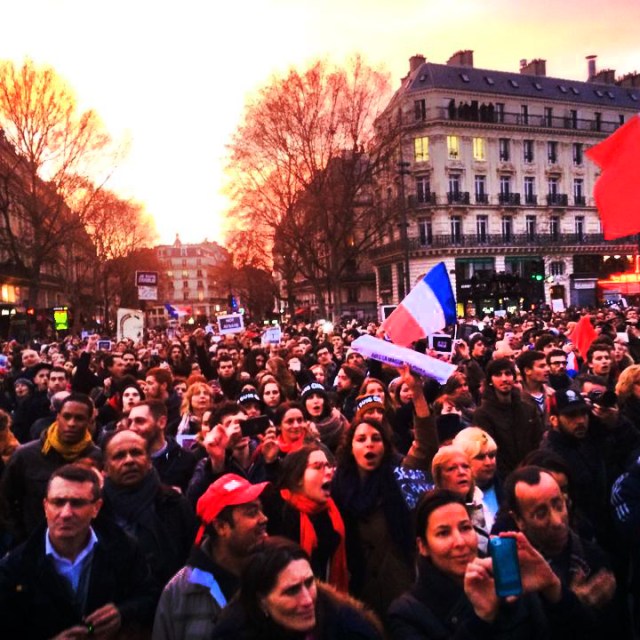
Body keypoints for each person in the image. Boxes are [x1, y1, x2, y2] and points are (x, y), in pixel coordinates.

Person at [388, 489, 595, 640]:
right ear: (423, 546)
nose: (460, 542)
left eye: (465, 528)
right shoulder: (407, 614)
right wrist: (480, 620)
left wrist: (554, 589)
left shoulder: (509, 579)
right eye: (443, 533)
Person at [0, 464, 157, 639]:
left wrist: (122, 613)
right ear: (45, 507)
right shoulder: (16, 566)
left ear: (96, 508)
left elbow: (149, 595)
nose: (66, 513)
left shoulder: (123, 549)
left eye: (77, 503)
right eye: (58, 502)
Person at [503, 466, 622, 637]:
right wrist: (570, 600)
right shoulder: (511, 572)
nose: (557, 521)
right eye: (541, 514)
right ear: (518, 519)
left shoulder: (594, 558)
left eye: (558, 505)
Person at [153, 473, 270, 640]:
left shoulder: (274, 576)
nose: (264, 518)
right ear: (221, 527)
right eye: (252, 513)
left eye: (261, 510)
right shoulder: (180, 591)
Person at [211, 537, 383, 640]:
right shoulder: (232, 632)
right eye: (292, 591)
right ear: (261, 601)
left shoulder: (350, 629)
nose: (308, 600)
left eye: (309, 583)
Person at [101, 430, 197, 588]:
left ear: (149, 460)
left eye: (136, 453)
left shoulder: (174, 503)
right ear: (105, 468)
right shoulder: (97, 510)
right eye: (119, 456)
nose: (129, 460)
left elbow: (192, 558)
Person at [1, 393, 101, 544]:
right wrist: (20, 536)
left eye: (79, 418)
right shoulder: (26, 455)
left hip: (82, 544)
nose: (71, 423)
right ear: (57, 417)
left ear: (89, 422)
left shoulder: (97, 458)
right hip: (32, 542)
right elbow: (5, 499)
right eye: (66, 416)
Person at [264, 444, 348, 591]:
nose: (329, 471)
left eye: (328, 466)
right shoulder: (277, 512)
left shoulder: (332, 510)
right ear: (298, 478)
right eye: (318, 467)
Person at [473, 358, 544, 477]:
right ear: (490, 380)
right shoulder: (482, 414)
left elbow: (538, 442)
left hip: (531, 472)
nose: (504, 379)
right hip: (502, 477)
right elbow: (489, 450)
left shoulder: (528, 409)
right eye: (498, 375)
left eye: (508, 373)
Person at [127, 399, 197, 493]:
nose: (132, 428)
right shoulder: (125, 461)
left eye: (140, 421)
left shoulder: (186, 460)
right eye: (129, 422)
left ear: (161, 422)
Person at [300, 382, 348, 453]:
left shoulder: (340, 423)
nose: (316, 401)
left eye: (319, 397)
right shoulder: (300, 429)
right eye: (310, 397)